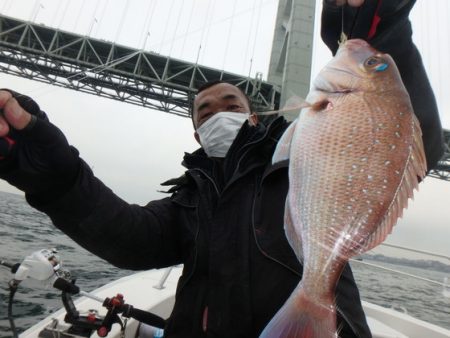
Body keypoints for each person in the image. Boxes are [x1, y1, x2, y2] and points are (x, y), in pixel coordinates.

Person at [0, 0, 444, 337]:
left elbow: (404, 135)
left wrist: (377, 23)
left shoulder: (293, 163)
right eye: (205, 112)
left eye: (232, 104)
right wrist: (56, 178)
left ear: (255, 117)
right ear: (196, 135)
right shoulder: (188, 200)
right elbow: (129, 238)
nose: (219, 114)